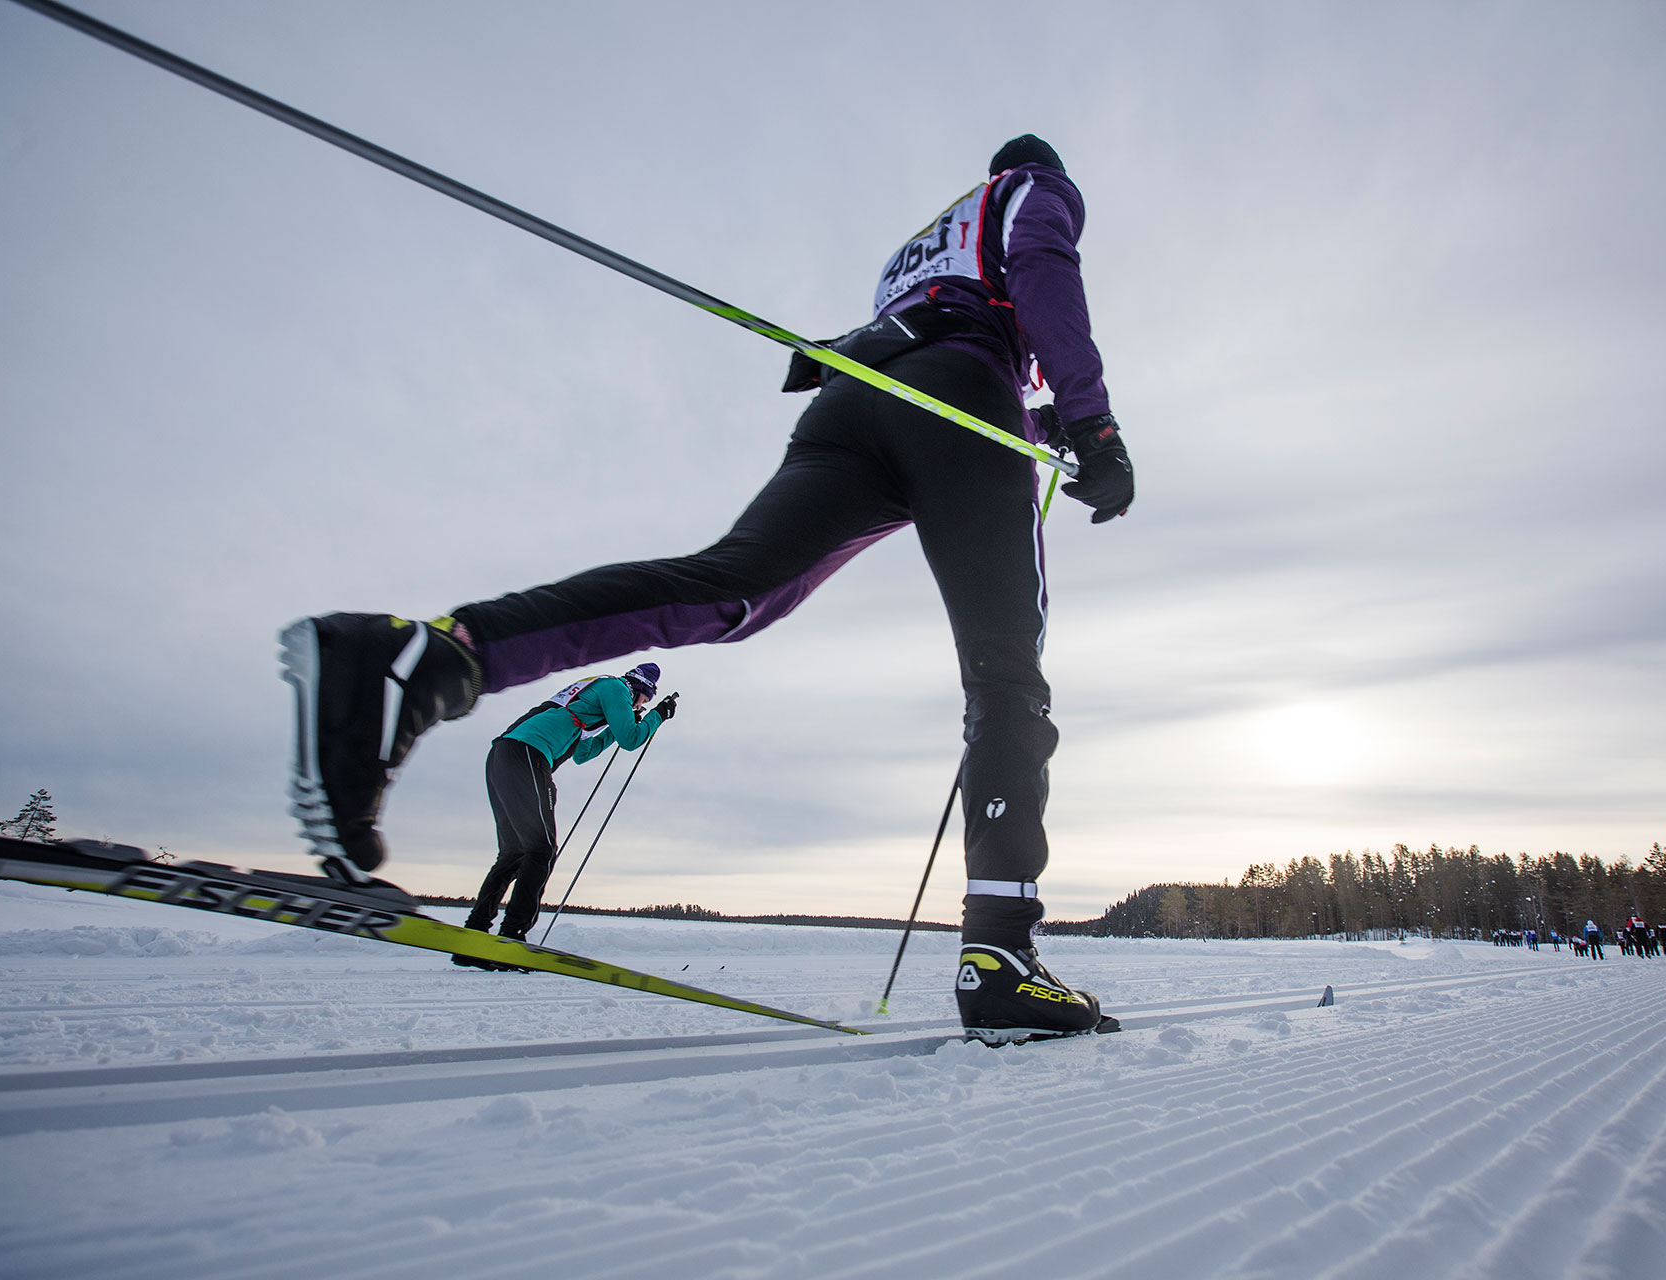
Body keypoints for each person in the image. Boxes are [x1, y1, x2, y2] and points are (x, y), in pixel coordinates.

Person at [278, 134, 1132, 1043]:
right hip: (957, 394)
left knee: (731, 590)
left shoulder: (920, 246)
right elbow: (1039, 277)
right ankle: (1000, 955)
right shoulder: (1031, 188)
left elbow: (948, 337)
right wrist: (1094, 422)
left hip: (855, 400)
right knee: (1006, 678)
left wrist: (1043, 420)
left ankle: (426, 656)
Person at [452, 663, 675, 970]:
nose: (640, 707)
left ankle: (473, 937)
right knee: (541, 849)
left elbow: (584, 754)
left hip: (506, 755)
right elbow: (631, 739)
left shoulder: (594, 699)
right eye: (643, 701)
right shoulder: (616, 688)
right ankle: (513, 936)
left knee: (515, 853)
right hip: (528, 753)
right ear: (639, 691)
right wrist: (657, 716)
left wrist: (614, 726)